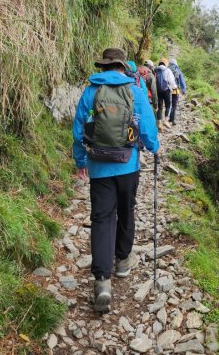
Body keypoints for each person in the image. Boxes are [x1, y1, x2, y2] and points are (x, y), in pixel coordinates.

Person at [72, 48, 160, 313]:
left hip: (99, 168)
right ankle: (122, 261)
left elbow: (78, 130)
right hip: (127, 164)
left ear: (103, 67)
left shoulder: (90, 91)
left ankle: (102, 281)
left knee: (101, 218)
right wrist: (153, 147)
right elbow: (146, 126)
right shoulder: (133, 90)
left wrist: (81, 162)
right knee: (126, 211)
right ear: (123, 67)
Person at [155, 57, 176, 129]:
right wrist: (174, 88)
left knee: (160, 107)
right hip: (166, 90)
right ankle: (166, 120)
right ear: (165, 63)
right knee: (168, 105)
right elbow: (171, 81)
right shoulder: (168, 70)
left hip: (158, 91)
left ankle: (159, 122)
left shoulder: (155, 70)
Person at [168, 58, 186, 125]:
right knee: (174, 105)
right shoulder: (177, 70)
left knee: (168, 104)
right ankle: (172, 119)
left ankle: (168, 118)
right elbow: (182, 81)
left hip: (168, 89)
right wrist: (183, 90)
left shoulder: (167, 69)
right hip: (175, 90)